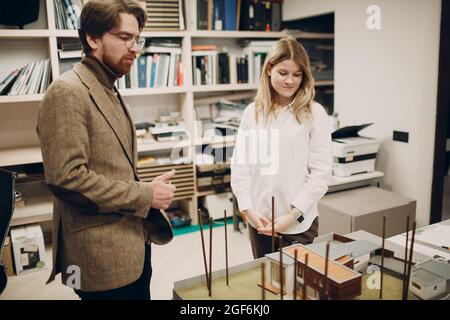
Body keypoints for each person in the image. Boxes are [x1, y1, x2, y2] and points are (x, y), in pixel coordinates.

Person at [37, 0, 176, 300]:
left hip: (132, 245)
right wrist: (146, 194)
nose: (135, 48)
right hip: (99, 259)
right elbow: (67, 179)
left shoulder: (107, 86)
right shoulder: (67, 91)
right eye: (125, 38)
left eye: (137, 39)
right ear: (93, 37)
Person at [230, 37, 333, 259]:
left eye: (297, 74)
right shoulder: (252, 112)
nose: (290, 81)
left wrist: (293, 215)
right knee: (267, 286)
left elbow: (321, 174)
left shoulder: (315, 114)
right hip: (260, 221)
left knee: (298, 288)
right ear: (269, 69)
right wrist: (247, 209)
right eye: (283, 73)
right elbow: (241, 165)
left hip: (298, 225)